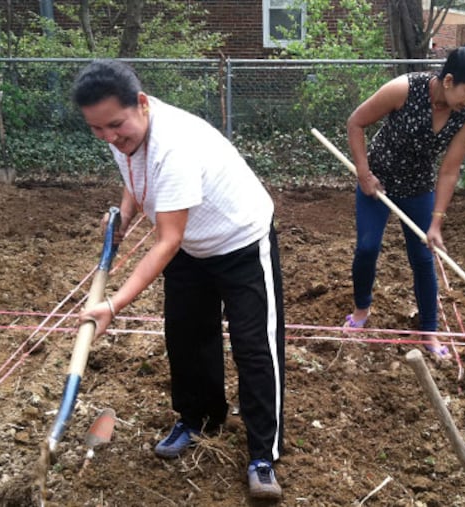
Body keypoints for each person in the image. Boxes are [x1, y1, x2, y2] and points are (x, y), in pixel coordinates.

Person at [73, 60, 285, 500]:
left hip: (240, 241)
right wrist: (127, 212)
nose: (109, 137)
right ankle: (198, 419)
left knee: (254, 346)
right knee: (186, 337)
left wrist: (113, 306)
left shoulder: (176, 145)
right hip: (192, 246)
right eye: (97, 129)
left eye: (115, 125)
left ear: (143, 105)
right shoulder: (122, 132)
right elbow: (136, 171)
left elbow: (166, 240)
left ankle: (263, 453)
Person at [343, 44, 465, 359]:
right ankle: (360, 310)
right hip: (377, 184)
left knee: (424, 258)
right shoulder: (403, 90)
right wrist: (363, 174)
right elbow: (355, 123)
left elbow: (449, 171)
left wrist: (436, 221)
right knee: (367, 248)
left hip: (418, 189)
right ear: (449, 80)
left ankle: (429, 332)